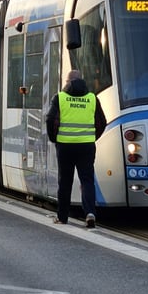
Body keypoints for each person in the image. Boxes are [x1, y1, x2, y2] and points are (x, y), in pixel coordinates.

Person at [45, 70, 107, 227]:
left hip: (65, 146)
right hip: (86, 146)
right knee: (87, 180)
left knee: (65, 181)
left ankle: (62, 217)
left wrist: (55, 139)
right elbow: (102, 121)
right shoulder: (92, 98)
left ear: (68, 82)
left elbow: (50, 119)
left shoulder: (60, 98)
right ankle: (90, 213)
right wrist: (92, 137)